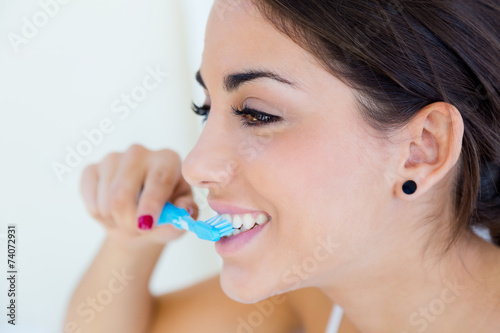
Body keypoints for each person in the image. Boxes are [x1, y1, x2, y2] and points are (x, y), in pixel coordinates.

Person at [64, 0, 500, 332]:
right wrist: (130, 241)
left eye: (257, 114)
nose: (196, 165)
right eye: (205, 108)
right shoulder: (316, 301)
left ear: (422, 149)